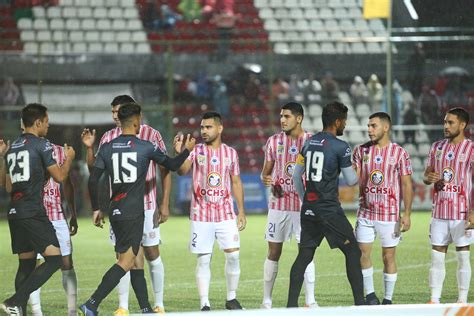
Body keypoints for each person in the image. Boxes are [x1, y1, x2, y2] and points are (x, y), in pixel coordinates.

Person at [79, 102, 195, 316]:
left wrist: (97, 208)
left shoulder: (107, 147)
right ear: (135, 121)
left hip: (116, 210)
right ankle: (91, 303)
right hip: (134, 211)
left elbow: (93, 179)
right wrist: (186, 151)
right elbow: (171, 165)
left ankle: (145, 308)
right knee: (126, 261)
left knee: (137, 259)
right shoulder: (144, 146)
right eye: (140, 118)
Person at [287, 101, 365, 307]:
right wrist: (358, 167)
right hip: (329, 209)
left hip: (309, 209)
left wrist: (306, 200)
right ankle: (361, 305)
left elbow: (296, 177)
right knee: (353, 251)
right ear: (337, 121)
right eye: (344, 121)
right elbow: (351, 180)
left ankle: (290, 307)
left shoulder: (308, 143)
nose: (345, 125)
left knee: (304, 255)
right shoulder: (340, 146)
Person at [0, 103, 75, 315]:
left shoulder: (13, 146)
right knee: (54, 260)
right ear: (38, 122)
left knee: (25, 265)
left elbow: (6, 186)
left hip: (14, 212)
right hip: (32, 211)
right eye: (47, 122)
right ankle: (15, 301)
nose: (48, 126)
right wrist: (68, 158)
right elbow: (60, 177)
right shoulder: (41, 145)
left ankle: (18, 311)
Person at [176, 111, 247, 311]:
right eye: (202, 127)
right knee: (204, 259)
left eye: (208, 127)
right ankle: (204, 302)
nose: (204, 131)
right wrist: (181, 152)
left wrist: (241, 211)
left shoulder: (231, 153)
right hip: (201, 214)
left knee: (233, 256)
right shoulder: (196, 150)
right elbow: (182, 171)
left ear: (219, 128)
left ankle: (231, 298)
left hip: (225, 213)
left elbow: (236, 182)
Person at [352, 112, 413, 305]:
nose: (369, 130)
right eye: (368, 126)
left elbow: (406, 184)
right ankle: (370, 295)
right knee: (362, 253)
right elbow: (352, 178)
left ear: (385, 127)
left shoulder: (399, 153)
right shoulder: (360, 151)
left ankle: (388, 299)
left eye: (373, 126)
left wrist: (407, 214)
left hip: (389, 215)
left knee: (388, 257)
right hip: (365, 212)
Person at [260, 102, 316, 309]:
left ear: (299, 118)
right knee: (273, 251)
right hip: (278, 206)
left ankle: (310, 300)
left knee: (306, 251)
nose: (282, 120)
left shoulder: (311, 141)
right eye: (281, 116)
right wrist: (266, 179)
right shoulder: (273, 141)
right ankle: (266, 300)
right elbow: (265, 173)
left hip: (304, 207)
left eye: (287, 116)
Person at [423, 107, 474, 304]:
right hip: (440, 211)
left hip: (462, 212)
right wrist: (428, 178)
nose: (445, 125)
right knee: (436, 256)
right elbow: (428, 175)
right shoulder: (436, 147)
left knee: (463, 257)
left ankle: (462, 300)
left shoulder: (470, 149)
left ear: (463, 125)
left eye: (450, 122)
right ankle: (434, 300)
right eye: (445, 122)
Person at [28, 140, 79, 316]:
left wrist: (72, 213)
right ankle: (36, 312)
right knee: (36, 265)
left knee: (67, 263)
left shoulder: (58, 151)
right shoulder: (24, 150)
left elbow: (67, 184)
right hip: (36, 217)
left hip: (57, 216)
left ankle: (72, 311)